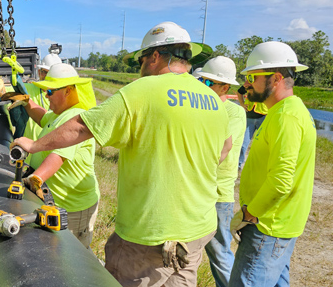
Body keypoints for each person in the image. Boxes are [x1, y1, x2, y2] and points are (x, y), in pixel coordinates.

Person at [13, 21, 232, 287]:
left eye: (141, 59)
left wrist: (33, 145)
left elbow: (82, 127)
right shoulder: (212, 99)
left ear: (154, 56)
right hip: (198, 228)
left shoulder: (143, 90)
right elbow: (225, 149)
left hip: (150, 234)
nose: (140, 67)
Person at [229, 41, 316, 286]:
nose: (246, 83)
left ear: (275, 78)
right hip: (277, 225)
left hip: (267, 227)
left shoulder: (285, 117)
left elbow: (280, 181)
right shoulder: (283, 111)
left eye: (252, 77)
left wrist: (249, 214)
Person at [7, 63, 99, 248]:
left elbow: (58, 155)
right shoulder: (60, 115)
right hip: (58, 202)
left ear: (67, 91)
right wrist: (26, 101)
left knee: (73, 259)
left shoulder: (74, 117)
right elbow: (42, 117)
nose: (46, 97)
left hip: (72, 208)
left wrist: (34, 179)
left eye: (50, 92)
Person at [195, 56, 246, 287]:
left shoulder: (234, 113)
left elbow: (221, 150)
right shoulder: (201, 108)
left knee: (219, 253)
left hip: (217, 193)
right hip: (196, 190)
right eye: (201, 81)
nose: (201, 86)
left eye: (208, 83)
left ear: (225, 87)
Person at [237, 86, 268, 170]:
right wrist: (242, 104)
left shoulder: (266, 82)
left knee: (264, 143)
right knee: (243, 144)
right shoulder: (249, 83)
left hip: (263, 116)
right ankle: (238, 165)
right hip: (249, 117)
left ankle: (262, 166)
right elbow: (239, 92)